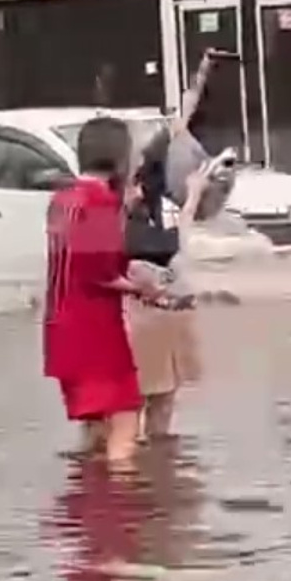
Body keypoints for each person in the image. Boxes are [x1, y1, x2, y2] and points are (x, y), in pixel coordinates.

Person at [44, 116, 161, 466]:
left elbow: (77, 257)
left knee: (96, 428)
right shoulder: (99, 202)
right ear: (119, 156)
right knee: (125, 419)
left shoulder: (63, 198)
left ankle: (86, 504)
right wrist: (145, 289)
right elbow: (100, 272)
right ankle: (117, 505)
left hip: (59, 329)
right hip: (93, 331)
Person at [125, 129, 213, 443]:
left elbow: (155, 172)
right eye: (132, 181)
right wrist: (192, 199)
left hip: (163, 317)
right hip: (143, 318)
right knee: (137, 411)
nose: (139, 190)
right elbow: (171, 246)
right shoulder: (123, 222)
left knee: (163, 403)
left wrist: (174, 129)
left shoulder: (140, 198)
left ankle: (159, 470)